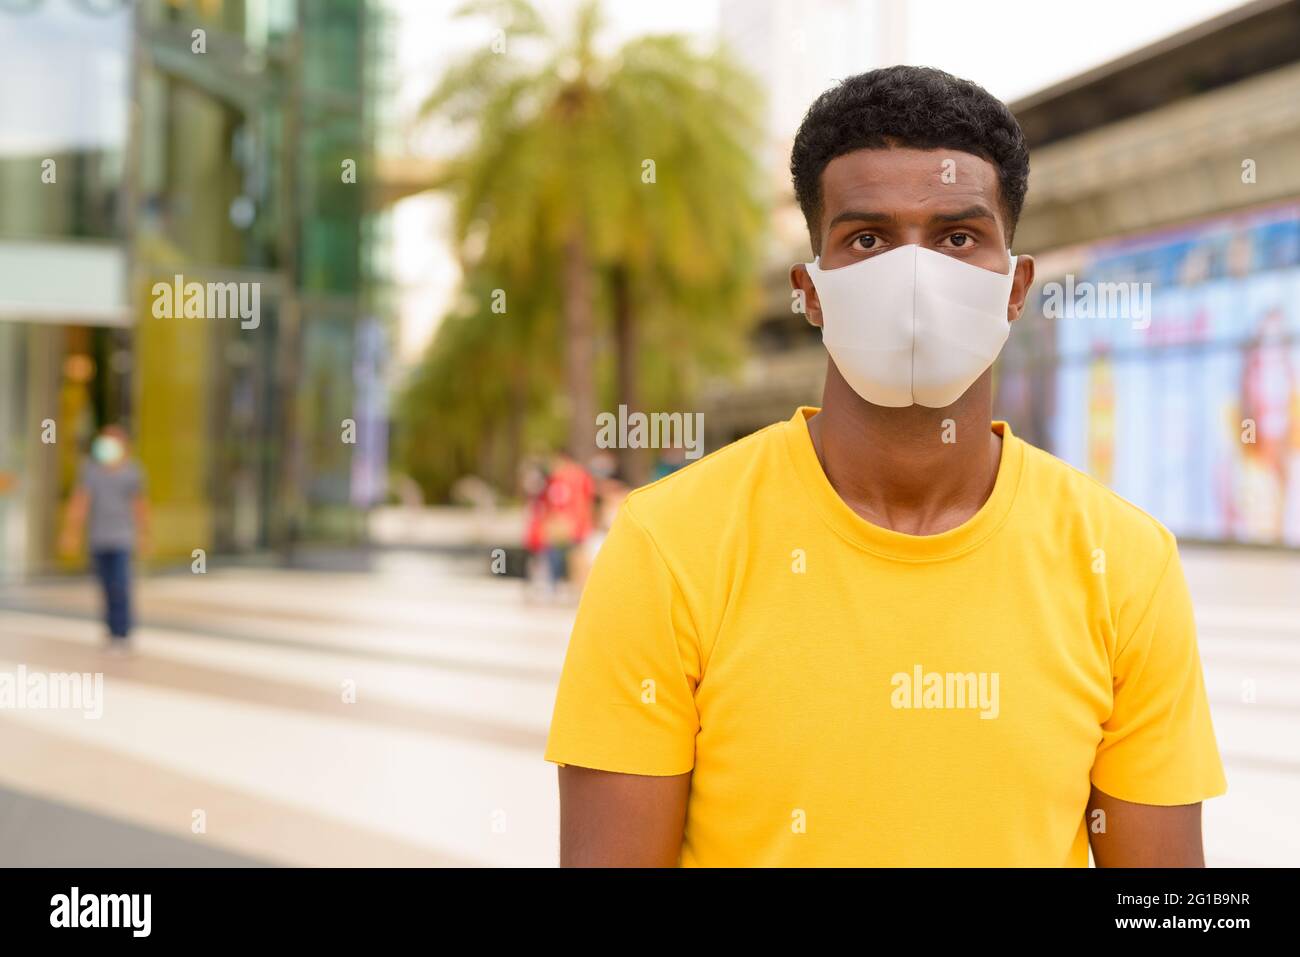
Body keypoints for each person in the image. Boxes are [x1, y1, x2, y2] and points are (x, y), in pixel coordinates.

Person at [545, 66, 1228, 867]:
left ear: (1016, 288)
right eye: (867, 238)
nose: (914, 275)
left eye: (957, 237)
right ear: (811, 290)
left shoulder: (1125, 565)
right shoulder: (668, 547)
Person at [60, 424, 150, 652]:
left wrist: (144, 534)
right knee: (105, 585)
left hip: (123, 537)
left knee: (121, 584)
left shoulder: (132, 471)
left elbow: (139, 505)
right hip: (98, 538)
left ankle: (122, 632)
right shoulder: (91, 470)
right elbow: (81, 501)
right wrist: (71, 533)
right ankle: (111, 631)